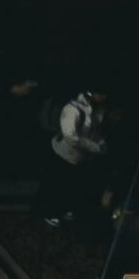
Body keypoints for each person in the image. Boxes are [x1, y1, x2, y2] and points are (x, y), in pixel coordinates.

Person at [44, 87, 111, 228]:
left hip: (81, 157)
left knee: (72, 185)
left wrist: (101, 142)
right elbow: (71, 137)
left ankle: (64, 210)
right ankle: (50, 212)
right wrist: (95, 147)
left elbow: (95, 130)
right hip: (64, 154)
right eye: (102, 95)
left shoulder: (99, 109)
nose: (104, 98)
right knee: (57, 185)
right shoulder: (74, 108)